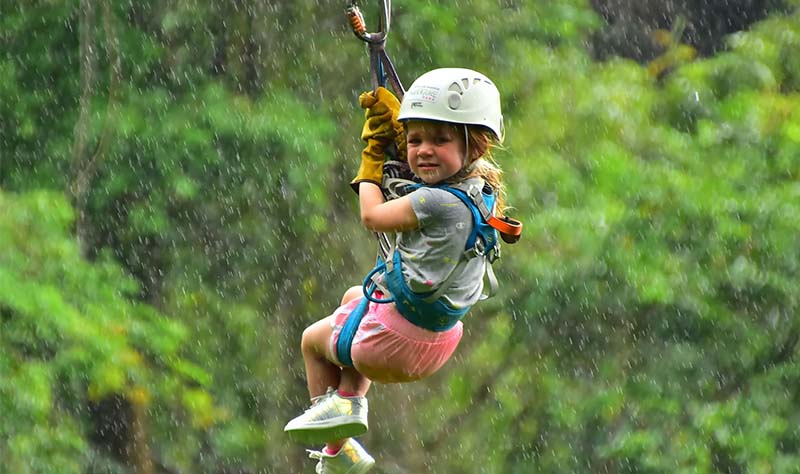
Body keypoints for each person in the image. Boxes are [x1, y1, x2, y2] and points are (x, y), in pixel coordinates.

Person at [284, 68, 520, 473]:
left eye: (439, 140)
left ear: (474, 145)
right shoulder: (479, 192)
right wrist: (402, 152)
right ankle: (348, 426)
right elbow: (428, 192)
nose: (424, 151)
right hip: (438, 338)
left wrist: (374, 158)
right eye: (415, 140)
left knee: (311, 340)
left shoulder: (436, 203)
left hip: (391, 344)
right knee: (351, 299)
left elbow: (373, 215)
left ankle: (340, 433)